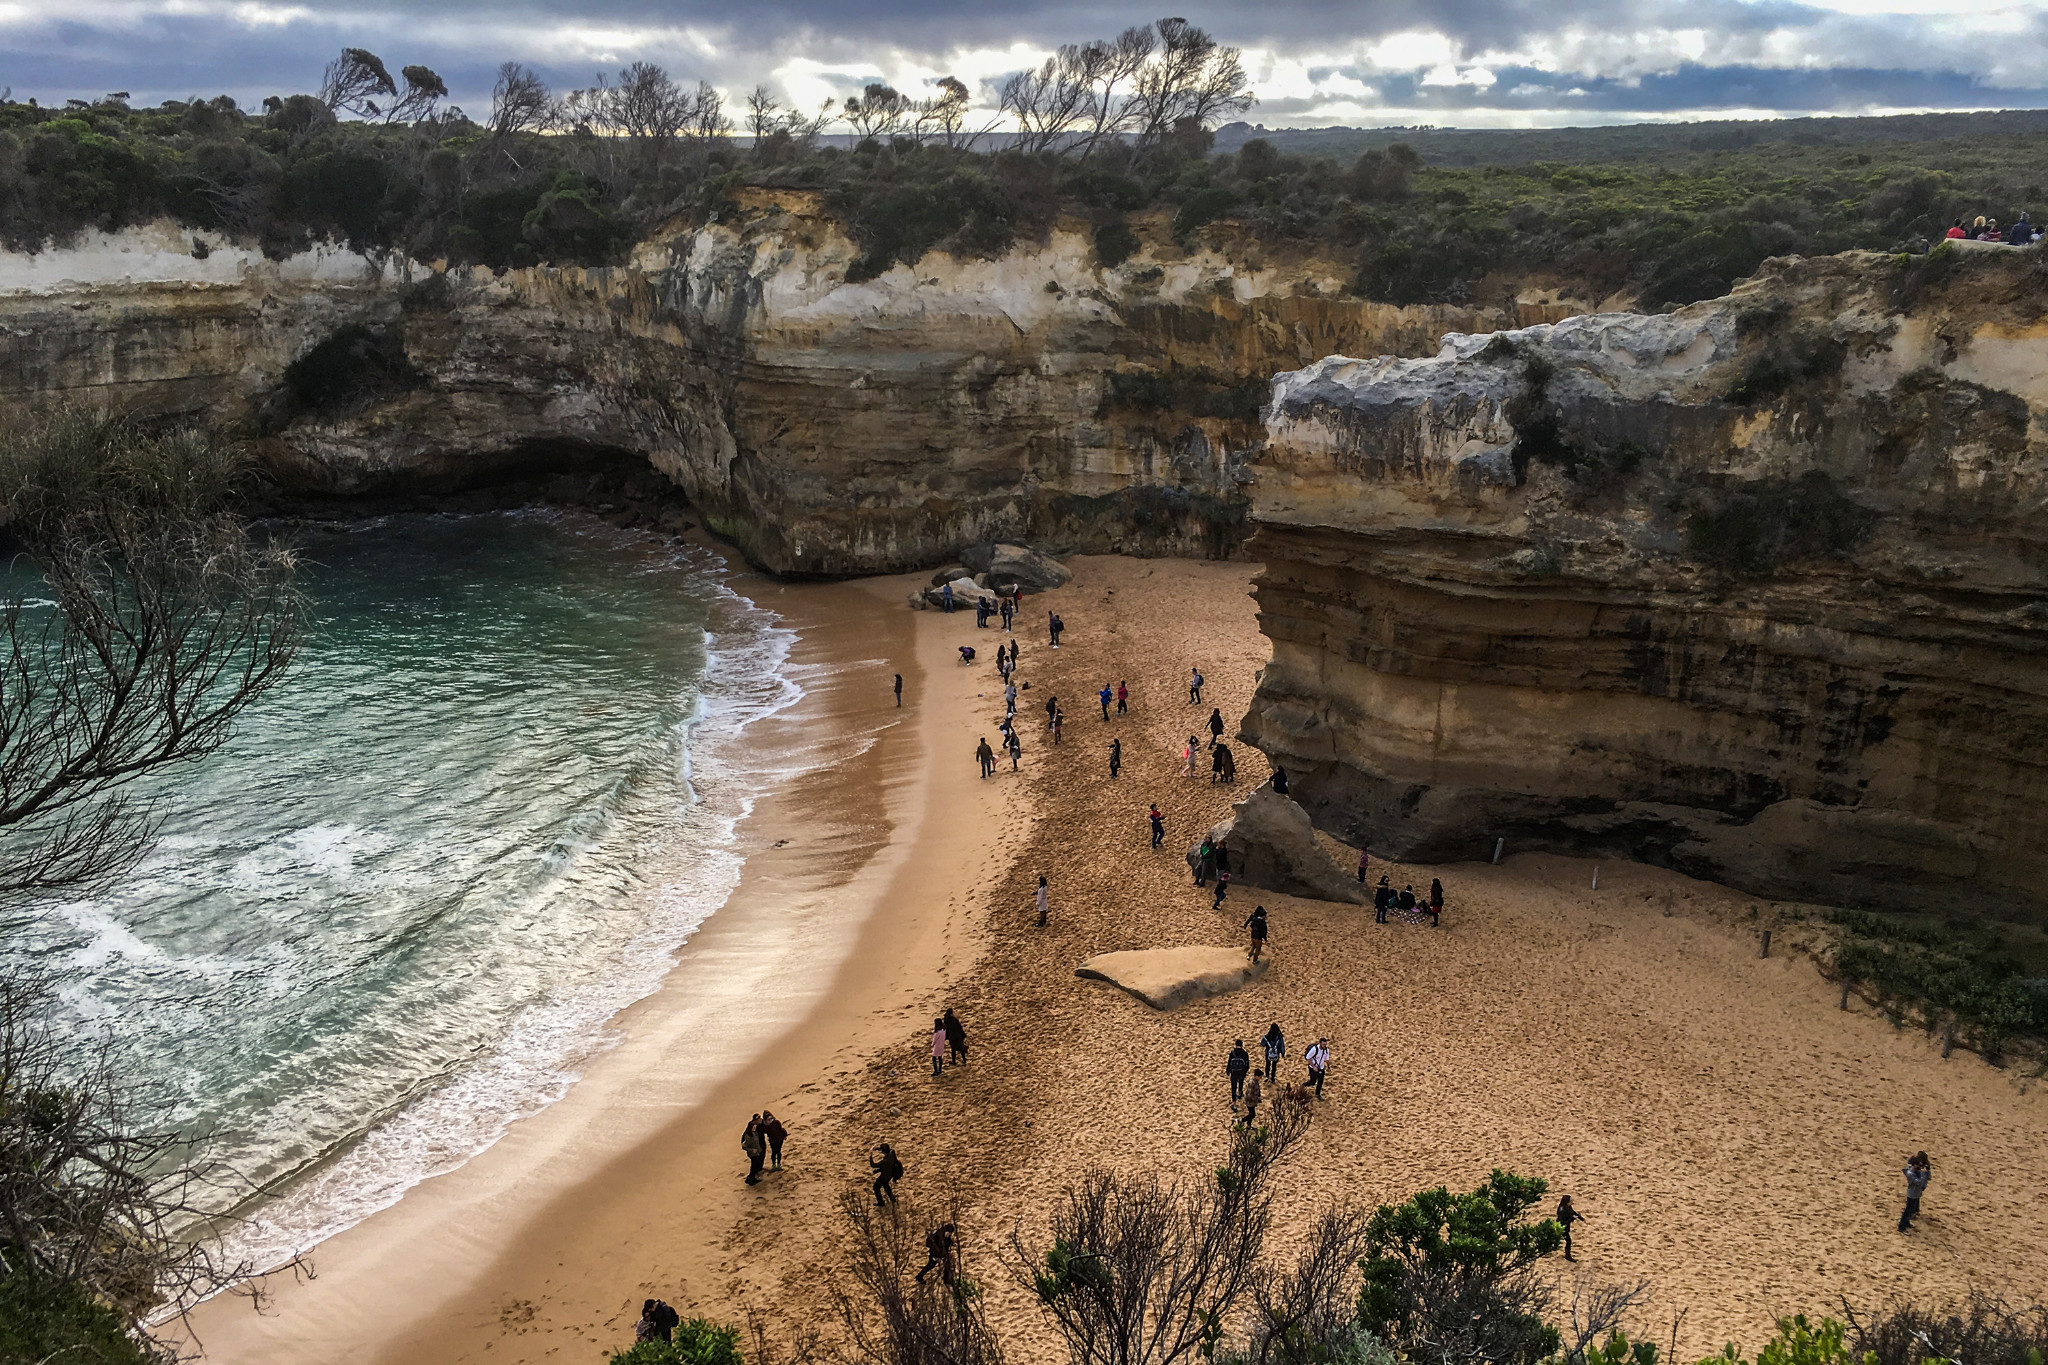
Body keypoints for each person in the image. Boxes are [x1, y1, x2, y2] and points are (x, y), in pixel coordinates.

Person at [1899, 1152, 1932, 1231]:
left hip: (1916, 1194)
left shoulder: (1916, 1172)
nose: (1919, 1167)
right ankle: (1901, 1227)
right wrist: (1923, 1173)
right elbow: (1921, 1183)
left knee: (1911, 1211)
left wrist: (1927, 1171)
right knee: (1907, 1211)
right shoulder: (1911, 1173)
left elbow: (1928, 1178)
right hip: (1912, 1194)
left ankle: (1906, 1223)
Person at [1557, 1195, 1584, 1261]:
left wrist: (1581, 1218)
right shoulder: (1562, 1210)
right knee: (1568, 1241)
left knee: (1567, 1240)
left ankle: (1567, 1255)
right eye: (1571, 1201)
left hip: (1565, 1227)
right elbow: (1563, 1222)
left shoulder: (1568, 1207)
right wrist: (1572, 1219)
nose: (1572, 1202)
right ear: (1567, 1202)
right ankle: (1567, 1256)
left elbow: (1573, 1212)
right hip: (1561, 1227)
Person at [743, 1115, 767, 1185]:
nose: (755, 1127)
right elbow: (744, 1146)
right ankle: (750, 1178)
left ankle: (753, 1178)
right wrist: (751, 1150)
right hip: (753, 1154)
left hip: (757, 1152)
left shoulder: (755, 1133)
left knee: (756, 1165)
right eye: (754, 1127)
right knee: (753, 1167)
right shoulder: (748, 1136)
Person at [1226, 1039, 1251, 1105]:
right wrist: (1245, 1072)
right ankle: (1240, 1093)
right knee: (1240, 1082)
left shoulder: (1232, 1053)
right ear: (1242, 1045)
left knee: (1233, 1087)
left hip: (1233, 1072)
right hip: (1241, 1072)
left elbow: (1229, 1063)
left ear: (1235, 1045)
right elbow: (1247, 1064)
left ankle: (1234, 1101)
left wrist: (1228, 1071)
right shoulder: (1245, 1053)